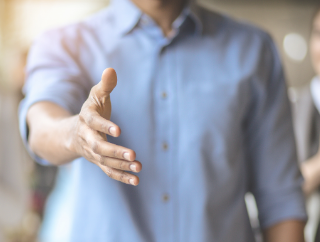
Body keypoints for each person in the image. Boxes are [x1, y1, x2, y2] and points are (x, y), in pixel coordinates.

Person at [20, 0, 307, 241]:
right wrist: (76, 134)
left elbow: (281, 199)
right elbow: (42, 123)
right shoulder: (65, 43)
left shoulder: (254, 50)